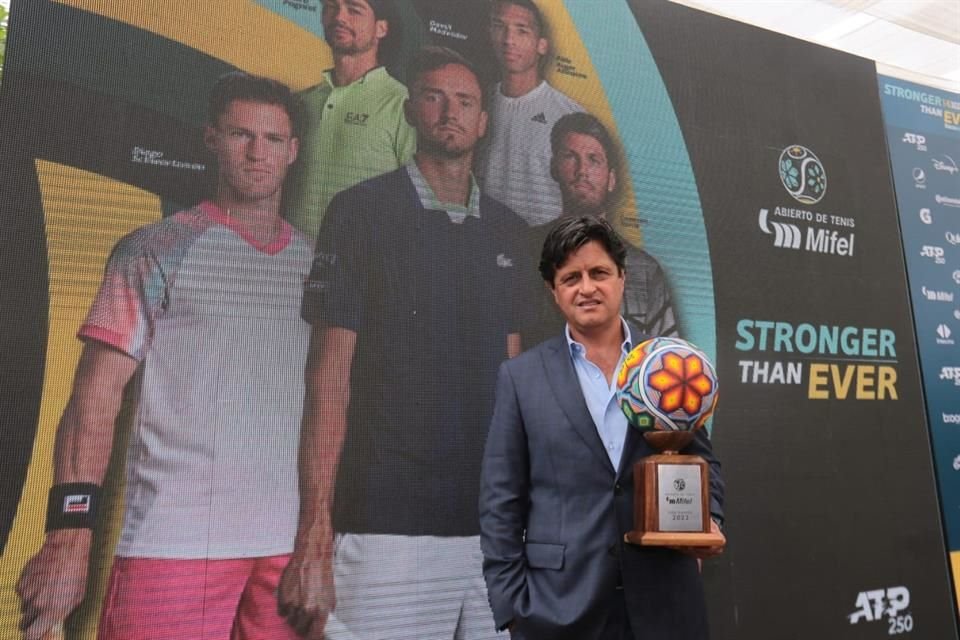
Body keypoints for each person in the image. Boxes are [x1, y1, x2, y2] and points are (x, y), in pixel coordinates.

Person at [16, 72, 311, 640]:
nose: (257, 152)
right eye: (240, 134)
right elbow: (92, 405)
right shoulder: (153, 251)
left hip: (287, 554)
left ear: (294, 151)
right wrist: (68, 537)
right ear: (211, 138)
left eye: (273, 139)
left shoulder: (320, 268)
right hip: (174, 547)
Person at [278, 46, 526, 640]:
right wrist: (314, 533)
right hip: (387, 526)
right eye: (435, 97)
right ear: (411, 110)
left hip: (490, 536)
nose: (450, 112)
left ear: (483, 122)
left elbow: (515, 390)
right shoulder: (360, 212)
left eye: (466, 102)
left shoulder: (510, 231)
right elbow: (328, 383)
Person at [479, 215, 725, 639]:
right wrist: (512, 606)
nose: (587, 287)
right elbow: (501, 500)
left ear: (622, 279)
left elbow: (702, 459)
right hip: (560, 609)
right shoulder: (521, 378)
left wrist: (707, 522)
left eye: (599, 272)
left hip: (665, 600)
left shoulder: (668, 364)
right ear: (553, 292)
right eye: (571, 277)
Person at [522, 112, 679, 349]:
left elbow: (666, 361)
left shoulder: (644, 269)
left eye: (594, 159)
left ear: (612, 179)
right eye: (570, 157)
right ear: (554, 167)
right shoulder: (525, 250)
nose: (582, 170)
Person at [284, 0, 416, 239]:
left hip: (362, 268)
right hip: (288, 263)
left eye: (354, 9)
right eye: (331, 7)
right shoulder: (301, 102)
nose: (340, 17)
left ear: (382, 28)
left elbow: (418, 204)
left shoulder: (403, 105)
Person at [475, 0, 583, 226]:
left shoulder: (570, 115)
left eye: (521, 30)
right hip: (485, 240)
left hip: (543, 248)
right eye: (499, 26)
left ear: (541, 45)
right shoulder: (474, 102)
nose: (508, 40)